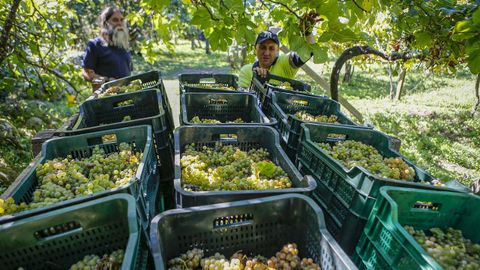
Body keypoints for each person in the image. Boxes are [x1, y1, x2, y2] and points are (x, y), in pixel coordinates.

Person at [238, 30, 316, 88]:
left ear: (277, 50)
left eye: (271, 48)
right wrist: (257, 85)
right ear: (256, 49)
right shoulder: (246, 71)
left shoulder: (284, 63)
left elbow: (308, 52)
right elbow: (243, 101)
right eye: (263, 48)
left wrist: (308, 32)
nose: (266, 53)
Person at [82, 6, 133, 91]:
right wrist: (107, 81)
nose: (119, 23)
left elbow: (128, 73)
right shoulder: (95, 45)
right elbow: (86, 74)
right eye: (115, 20)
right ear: (105, 23)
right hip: (105, 99)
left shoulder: (123, 46)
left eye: (121, 20)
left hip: (125, 96)